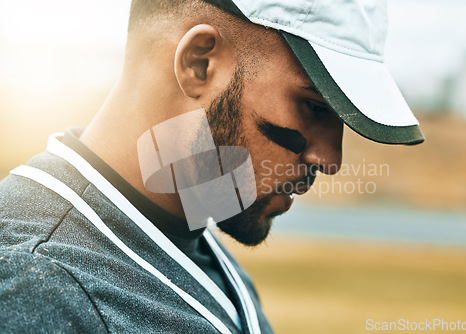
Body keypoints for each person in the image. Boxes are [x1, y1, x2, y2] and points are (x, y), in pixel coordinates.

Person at [0, 0, 424, 333]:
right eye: (314, 107)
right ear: (199, 63)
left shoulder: (193, 229)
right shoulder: (37, 287)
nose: (330, 159)